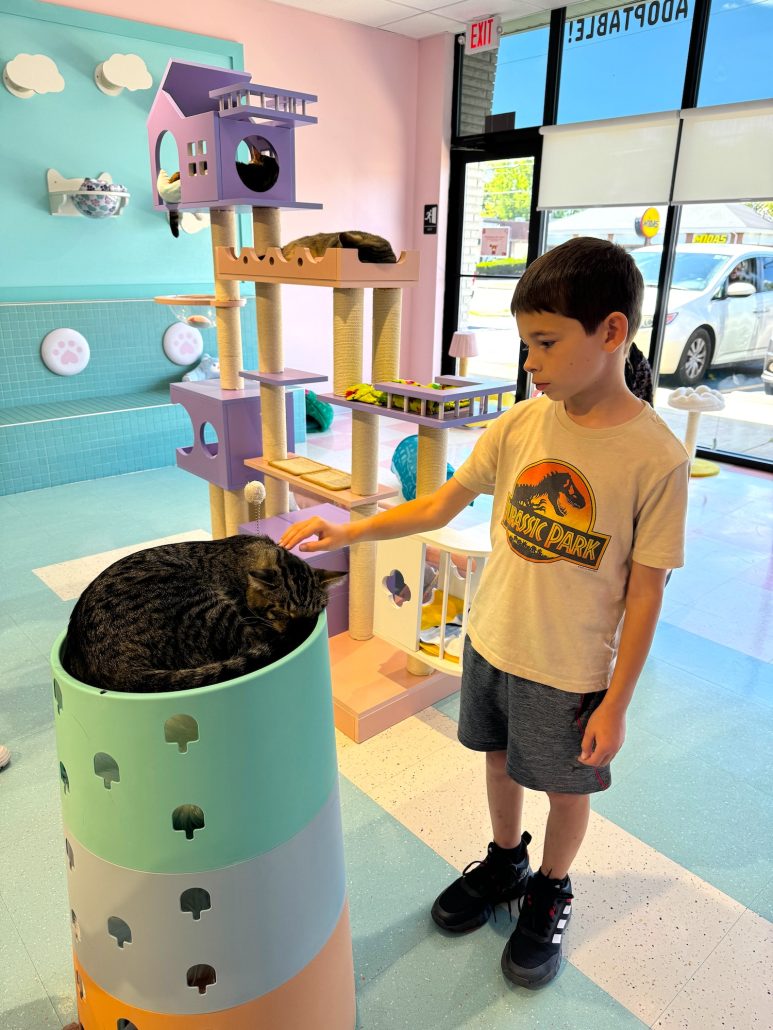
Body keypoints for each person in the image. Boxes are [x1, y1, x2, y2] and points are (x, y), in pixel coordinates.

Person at [279, 237, 689, 989]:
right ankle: (505, 861)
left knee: (565, 787)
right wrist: (348, 529)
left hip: (569, 668)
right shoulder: (519, 425)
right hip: (493, 640)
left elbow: (646, 591)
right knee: (498, 760)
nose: (530, 363)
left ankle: (551, 886)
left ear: (609, 333)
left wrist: (617, 705)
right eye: (524, 343)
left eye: (544, 343)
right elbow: (436, 503)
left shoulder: (653, 457)